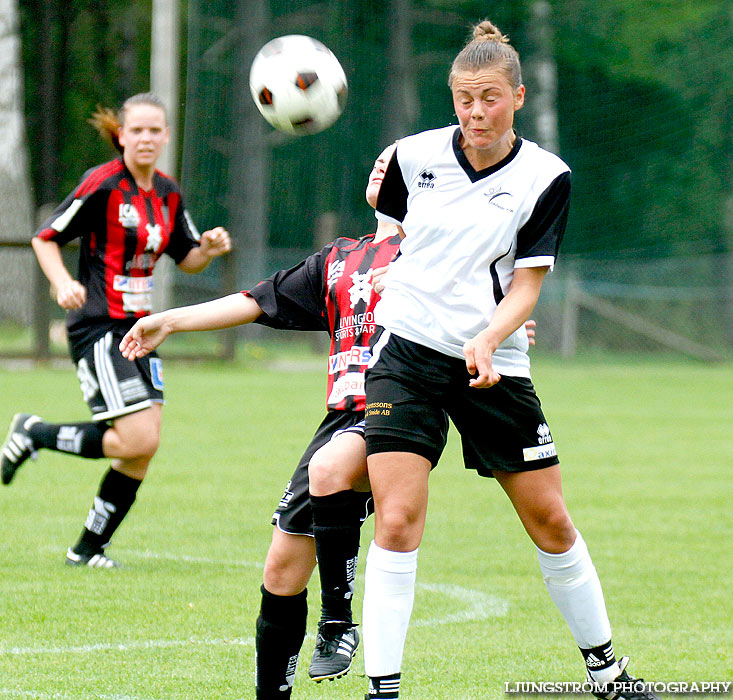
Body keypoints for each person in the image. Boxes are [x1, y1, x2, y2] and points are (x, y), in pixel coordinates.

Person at [117, 146, 538, 698]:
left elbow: (499, 306)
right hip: (341, 417)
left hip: (406, 408)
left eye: (397, 164)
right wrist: (170, 320)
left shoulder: (439, 251)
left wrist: (501, 330)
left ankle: (339, 622)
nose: (382, 166)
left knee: (330, 467)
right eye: (377, 161)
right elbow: (254, 300)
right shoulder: (340, 258)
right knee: (281, 572)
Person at [360, 21, 659, 700]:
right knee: (398, 517)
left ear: (518, 96)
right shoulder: (412, 155)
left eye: (489, 98)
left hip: (492, 361)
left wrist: (491, 338)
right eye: (464, 99)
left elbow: (527, 285)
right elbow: (391, 226)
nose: (474, 112)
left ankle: (608, 674)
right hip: (406, 350)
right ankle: (383, 689)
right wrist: (387, 264)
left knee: (549, 518)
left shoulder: (546, 176)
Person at [0, 93, 232, 568]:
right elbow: (45, 238)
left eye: (155, 130)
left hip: (144, 329)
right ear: (121, 135)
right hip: (99, 325)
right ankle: (35, 433)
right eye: (138, 130)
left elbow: (186, 258)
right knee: (138, 438)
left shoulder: (168, 193)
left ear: (166, 136)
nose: (146, 138)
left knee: (140, 451)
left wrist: (206, 249)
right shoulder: (103, 184)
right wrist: (62, 282)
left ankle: (88, 549)